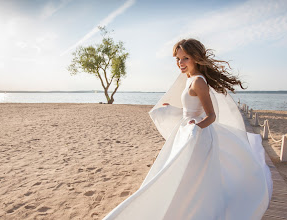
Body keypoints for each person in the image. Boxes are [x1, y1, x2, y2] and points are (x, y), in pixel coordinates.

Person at [103, 39, 272, 220]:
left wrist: (195, 129)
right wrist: (172, 109)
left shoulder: (198, 81)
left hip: (198, 137)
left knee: (194, 179)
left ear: (196, 58)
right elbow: (191, 111)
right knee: (184, 177)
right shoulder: (190, 79)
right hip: (188, 134)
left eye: (185, 58)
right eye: (178, 59)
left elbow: (211, 116)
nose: (180, 63)